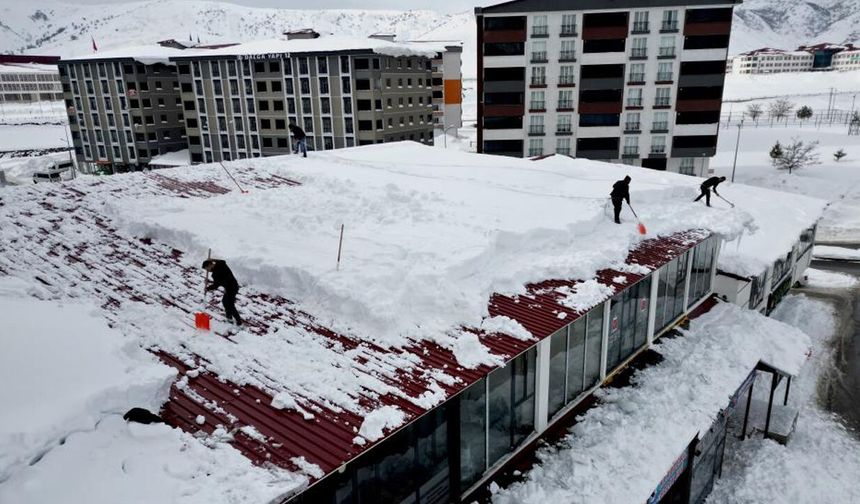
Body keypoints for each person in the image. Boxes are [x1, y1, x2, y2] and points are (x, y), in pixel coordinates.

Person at [202, 258, 242, 326]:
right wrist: (208, 283)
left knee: (230, 305)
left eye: (207, 268)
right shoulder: (220, 266)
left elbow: (216, 285)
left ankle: (238, 321)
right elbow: (217, 283)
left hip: (232, 288)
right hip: (229, 287)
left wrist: (207, 288)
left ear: (210, 264)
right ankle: (229, 317)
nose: (208, 271)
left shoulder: (217, 270)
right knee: (225, 302)